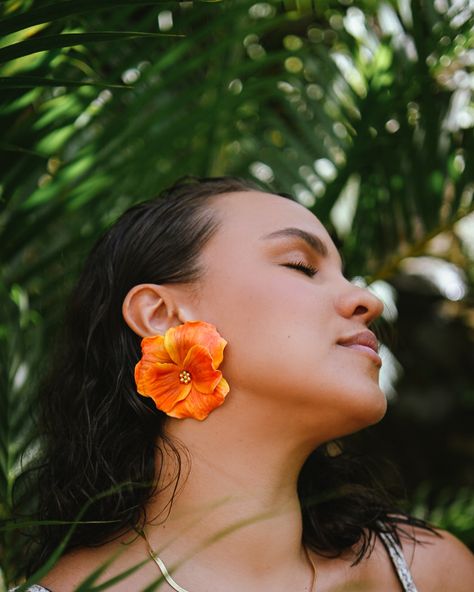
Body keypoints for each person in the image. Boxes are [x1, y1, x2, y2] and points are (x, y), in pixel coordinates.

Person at [11, 176, 474, 591]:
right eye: (300, 266)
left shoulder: (431, 573)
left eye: (345, 274)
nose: (367, 299)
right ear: (162, 316)